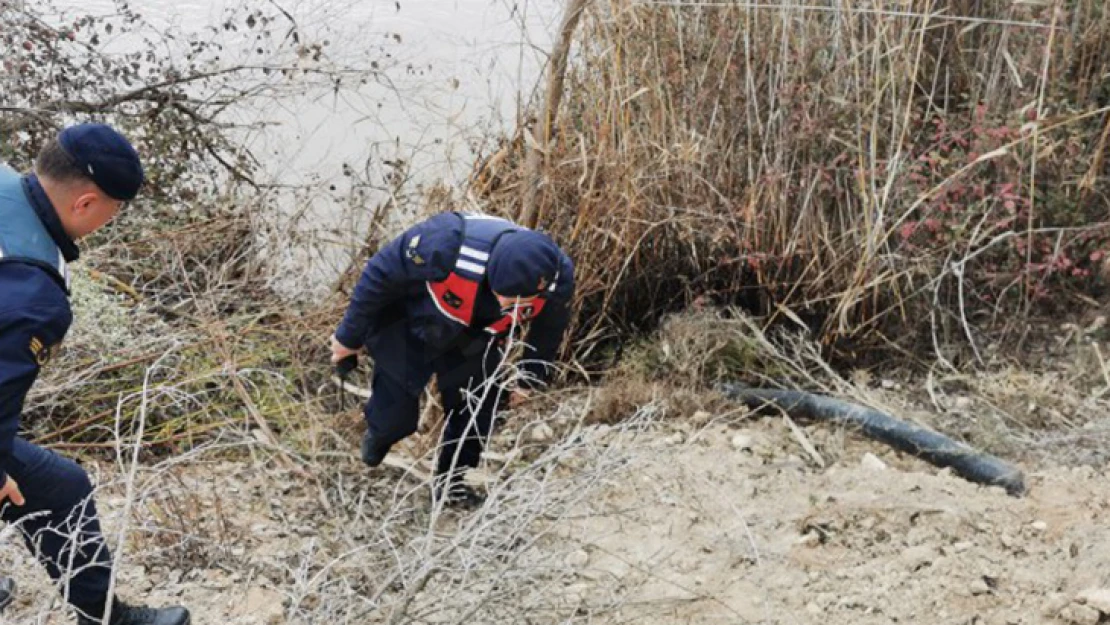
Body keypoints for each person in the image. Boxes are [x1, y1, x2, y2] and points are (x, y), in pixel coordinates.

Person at [0, 124, 190, 625]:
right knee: (58, 488)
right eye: (115, 209)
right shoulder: (34, 293)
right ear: (85, 204)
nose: (114, 219)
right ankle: (106, 619)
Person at [330, 210, 575, 507]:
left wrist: (529, 378)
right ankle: (381, 435)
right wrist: (348, 337)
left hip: (474, 338)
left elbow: (548, 329)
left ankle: (451, 484)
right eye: (501, 295)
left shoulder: (556, 277)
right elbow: (380, 274)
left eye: (513, 303)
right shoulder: (443, 243)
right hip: (412, 324)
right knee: (395, 417)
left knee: (476, 413)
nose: (503, 305)